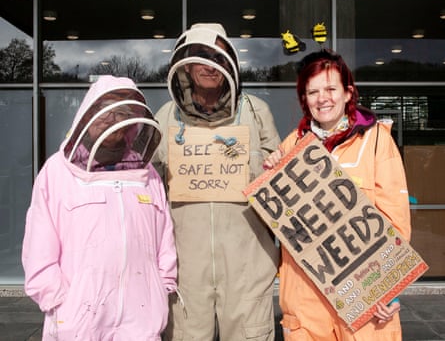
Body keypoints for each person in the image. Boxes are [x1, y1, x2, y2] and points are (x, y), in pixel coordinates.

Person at [263, 49, 412, 341]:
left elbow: (396, 221)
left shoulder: (377, 140)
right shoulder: (291, 144)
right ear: (304, 99)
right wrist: (270, 174)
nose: (323, 98)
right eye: (313, 91)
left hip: (363, 296)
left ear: (347, 92)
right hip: (305, 300)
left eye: (331, 88)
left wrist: (390, 288)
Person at [22, 75, 177, 340]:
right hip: (79, 325)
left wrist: (160, 291)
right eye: (104, 109)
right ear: (87, 113)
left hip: (141, 324)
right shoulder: (57, 171)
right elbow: (39, 252)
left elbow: (164, 240)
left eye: (122, 113)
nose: (111, 119)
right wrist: (61, 304)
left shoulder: (147, 174)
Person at [152, 23, 280, 340]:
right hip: (185, 269)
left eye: (217, 58)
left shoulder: (256, 111)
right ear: (185, 64)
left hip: (248, 264)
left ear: (230, 64)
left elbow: (280, 183)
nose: (210, 66)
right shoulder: (165, 117)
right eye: (201, 58)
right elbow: (148, 187)